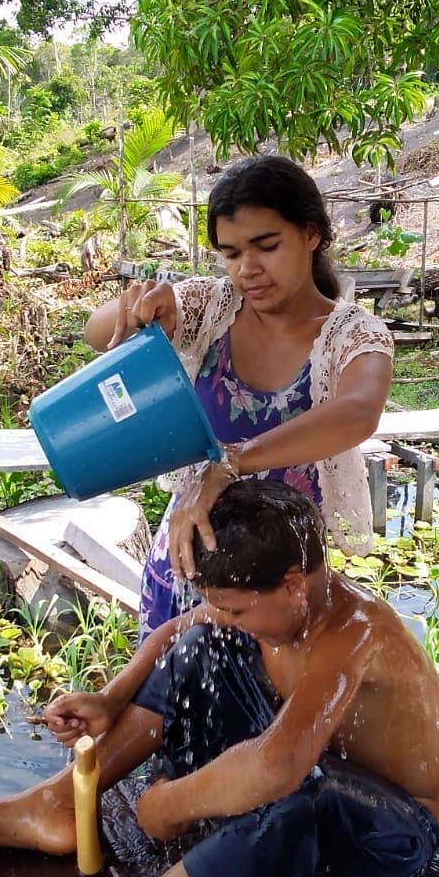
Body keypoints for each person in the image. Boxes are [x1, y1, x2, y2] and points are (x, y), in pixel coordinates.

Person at [0, 479, 439, 877]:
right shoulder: (275, 597)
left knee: (302, 789)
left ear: (293, 584)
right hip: (315, 757)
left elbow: (281, 764)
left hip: (396, 829)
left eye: (238, 610)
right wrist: (111, 697)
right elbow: (179, 630)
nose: (232, 620)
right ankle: (60, 802)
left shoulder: (356, 631)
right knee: (200, 644)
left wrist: (169, 804)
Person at [83, 155, 394, 640]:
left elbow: (358, 413)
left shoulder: (351, 335)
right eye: (230, 254)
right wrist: (138, 304)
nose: (247, 269)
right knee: (165, 701)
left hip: (278, 584)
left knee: (272, 708)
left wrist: (230, 464)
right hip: (188, 559)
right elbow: (94, 331)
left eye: (266, 246)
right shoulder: (213, 307)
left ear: (311, 233)